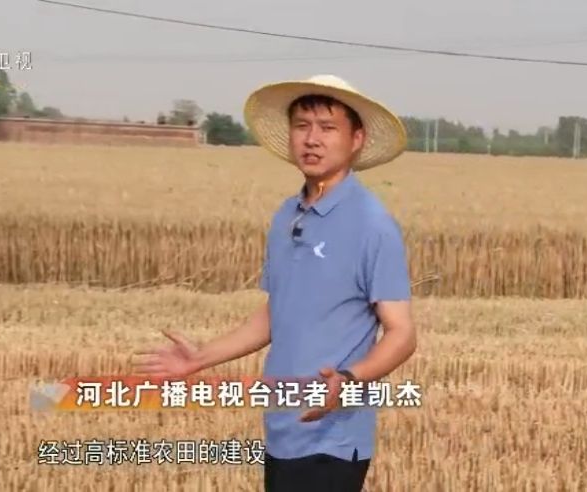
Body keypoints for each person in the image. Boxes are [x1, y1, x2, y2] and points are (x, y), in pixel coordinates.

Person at [134, 74, 416, 492]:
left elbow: (402, 333)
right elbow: (277, 312)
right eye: (302, 126)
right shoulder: (288, 215)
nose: (312, 139)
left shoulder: (372, 225)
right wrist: (200, 359)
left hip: (333, 440)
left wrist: (348, 379)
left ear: (356, 139)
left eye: (327, 127)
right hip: (282, 429)